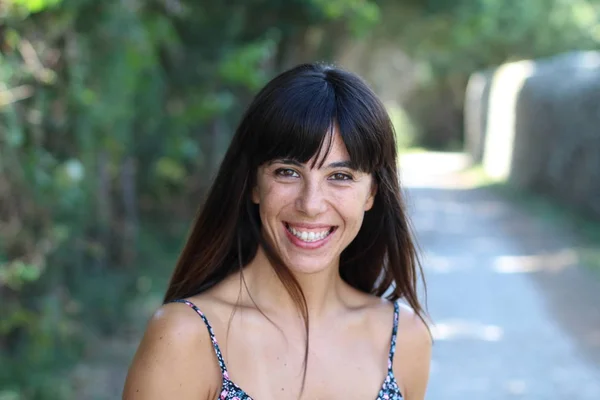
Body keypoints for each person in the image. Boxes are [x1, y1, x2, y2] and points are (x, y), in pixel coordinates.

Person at [123, 63, 431, 400]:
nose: (311, 204)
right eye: (287, 172)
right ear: (254, 184)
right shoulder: (185, 337)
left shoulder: (405, 339)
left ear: (371, 193)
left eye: (340, 176)